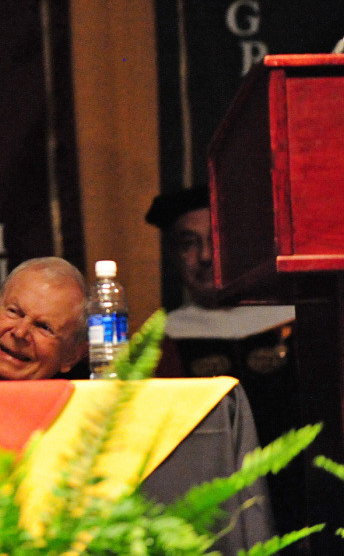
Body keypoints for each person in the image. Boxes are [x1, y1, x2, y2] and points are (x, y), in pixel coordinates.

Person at [146, 185, 301, 531]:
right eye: (189, 243)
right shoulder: (162, 342)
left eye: (215, 239)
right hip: (208, 522)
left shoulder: (295, 324)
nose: (204, 256)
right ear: (173, 256)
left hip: (305, 509)